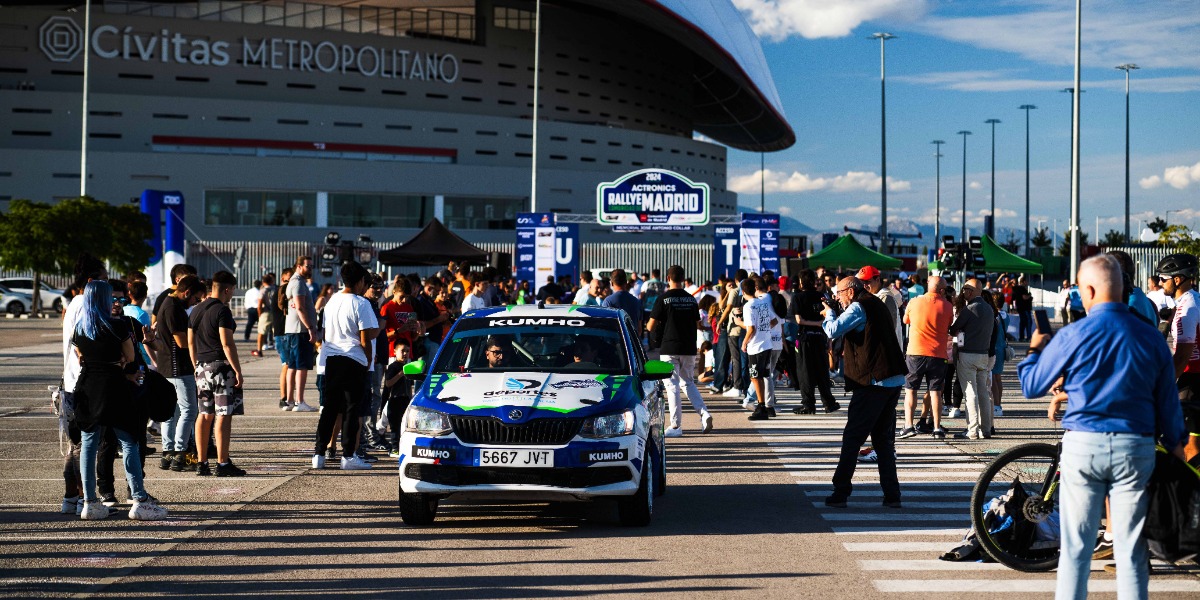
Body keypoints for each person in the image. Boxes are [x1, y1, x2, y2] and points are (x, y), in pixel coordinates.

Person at [1018, 254, 1186, 600]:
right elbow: (1167, 401)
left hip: (1084, 444)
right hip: (1135, 446)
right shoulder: (1151, 337)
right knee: (1130, 550)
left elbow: (1032, 385)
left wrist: (1035, 351)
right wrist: (1175, 446)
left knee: (1076, 550)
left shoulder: (1074, 334)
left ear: (1090, 289)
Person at [72, 280, 168, 521]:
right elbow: (130, 355)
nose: (115, 302)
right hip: (114, 385)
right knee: (128, 441)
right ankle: (139, 500)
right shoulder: (117, 326)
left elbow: (80, 356)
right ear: (103, 299)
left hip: (88, 385)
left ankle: (90, 501)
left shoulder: (80, 327)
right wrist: (119, 363)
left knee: (89, 443)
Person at [821, 276, 906, 508]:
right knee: (883, 441)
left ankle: (840, 491)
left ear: (850, 291)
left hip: (874, 382)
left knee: (853, 438)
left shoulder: (859, 306)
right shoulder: (876, 302)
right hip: (892, 379)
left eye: (839, 293)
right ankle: (892, 495)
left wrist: (829, 312)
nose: (837, 297)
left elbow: (832, 330)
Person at [313, 261, 379, 470]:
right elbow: (365, 338)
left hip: (331, 358)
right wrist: (368, 358)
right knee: (352, 409)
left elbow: (324, 333)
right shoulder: (361, 303)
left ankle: (319, 454)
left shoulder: (331, 301)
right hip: (353, 358)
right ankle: (348, 455)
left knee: (330, 408)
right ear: (360, 281)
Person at [187, 271, 246, 477]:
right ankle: (222, 463)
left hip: (201, 367)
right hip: (221, 367)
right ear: (227, 289)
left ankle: (201, 462)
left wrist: (196, 365)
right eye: (232, 290)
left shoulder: (195, 310)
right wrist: (237, 369)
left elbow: (190, 342)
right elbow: (227, 343)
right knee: (223, 415)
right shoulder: (223, 311)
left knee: (204, 415)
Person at [647, 265, 713, 436]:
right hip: (688, 347)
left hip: (669, 346)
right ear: (683, 279)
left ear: (668, 279)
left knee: (672, 385)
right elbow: (697, 322)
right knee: (688, 382)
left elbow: (650, 325)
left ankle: (676, 426)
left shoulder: (663, 299)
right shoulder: (691, 299)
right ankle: (703, 413)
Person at [154, 275, 206, 472]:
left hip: (166, 366)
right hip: (178, 368)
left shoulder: (167, 303)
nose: (195, 302)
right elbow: (182, 342)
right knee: (190, 410)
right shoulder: (173, 308)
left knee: (172, 413)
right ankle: (179, 452)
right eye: (195, 298)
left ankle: (167, 452)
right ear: (186, 293)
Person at [1157, 252, 1200, 464]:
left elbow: (1183, 356)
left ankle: (1188, 494)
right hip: (1193, 378)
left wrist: (1162, 385)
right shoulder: (1193, 300)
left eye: (1163, 279)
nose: (1159, 283)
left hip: (1193, 380)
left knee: (1188, 447)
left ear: (1177, 279)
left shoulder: (1187, 308)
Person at [898, 276, 953, 439]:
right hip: (938, 354)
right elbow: (949, 324)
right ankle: (936, 428)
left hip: (915, 352)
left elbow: (905, 320)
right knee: (936, 391)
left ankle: (909, 426)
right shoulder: (948, 306)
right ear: (942, 290)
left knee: (911, 390)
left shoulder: (914, 302)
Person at [949, 279, 995, 440]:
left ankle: (972, 430)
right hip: (983, 354)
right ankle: (986, 428)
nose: (963, 292)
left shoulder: (969, 309)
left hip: (968, 354)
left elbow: (954, 329)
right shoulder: (989, 309)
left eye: (965, 289)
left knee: (970, 392)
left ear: (971, 291)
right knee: (983, 391)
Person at [790, 269, 839, 414]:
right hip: (820, 337)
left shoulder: (797, 297)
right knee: (822, 371)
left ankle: (808, 404)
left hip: (804, 337)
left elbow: (799, 320)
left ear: (801, 282)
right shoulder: (822, 296)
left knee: (805, 372)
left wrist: (812, 323)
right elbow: (829, 316)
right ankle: (828, 402)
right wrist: (822, 328)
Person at [283, 256, 319, 413]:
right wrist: (310, 327)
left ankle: (290, 400)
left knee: (292, 366)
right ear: (298, 266)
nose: (310, 269)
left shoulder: (294, 281)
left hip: (293, 330)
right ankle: (299, 401)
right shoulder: (297, 283)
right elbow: (300, 307)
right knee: (301, 366)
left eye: (311, 266)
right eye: (308, 266)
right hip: (300, 331)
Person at [741, 277, 778, 421]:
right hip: (767, 344)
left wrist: (744, 342)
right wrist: (765, 330)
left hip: (756, 346)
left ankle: (761, 406)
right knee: (762, 376)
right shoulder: (762, 302)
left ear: (743, 292)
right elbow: (774, 320)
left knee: (755, 377)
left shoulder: (748, 306)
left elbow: (751, 328)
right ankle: (762, 406)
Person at [603, 269, 642, 333]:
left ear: (611, 283)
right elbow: (639, 329)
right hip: (631, 341)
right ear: (626, 282)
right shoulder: (637, 301)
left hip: (616, 340)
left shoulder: (608, 301)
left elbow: (606, 326)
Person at [1012, 275, 1034, 341]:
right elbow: (1024, 297)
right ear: (1024, 281)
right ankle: (1028, 337)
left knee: (1022, 323)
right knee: (1028, 322)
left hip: (1020, 307)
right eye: (1026, 281)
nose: (1027, 283)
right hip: (1025, 308)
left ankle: (1021, 337)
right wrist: (1029, 295)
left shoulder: (1016, 289)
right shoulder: (1022, 289)